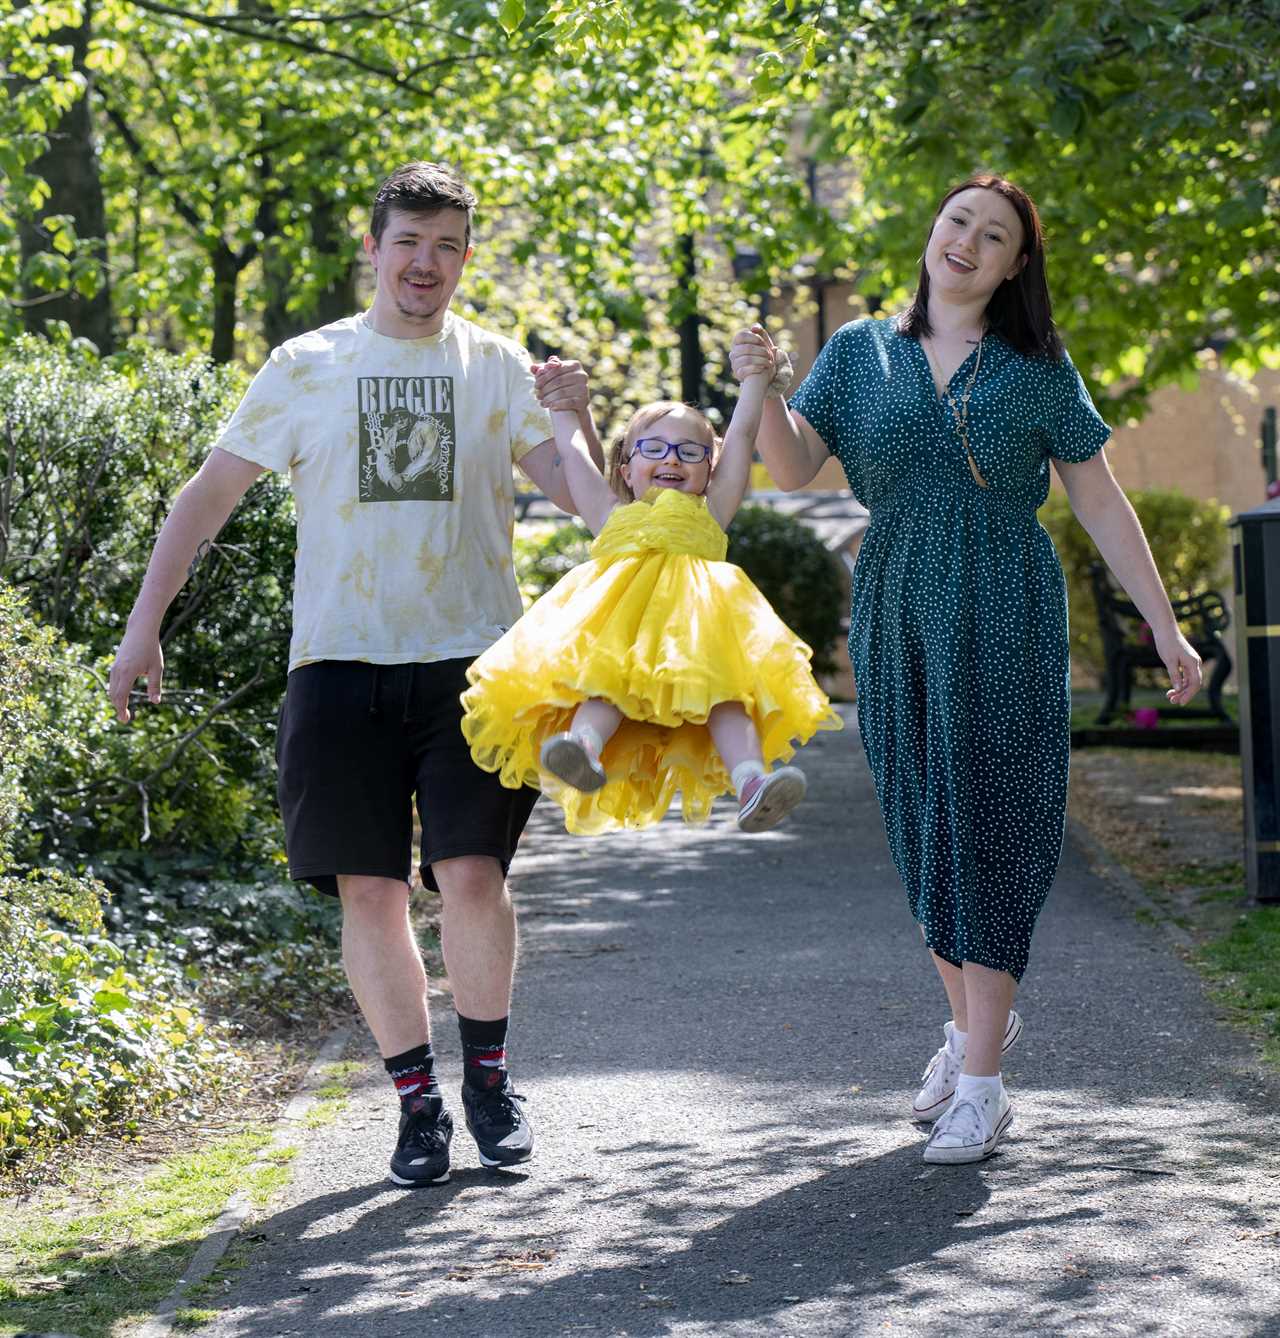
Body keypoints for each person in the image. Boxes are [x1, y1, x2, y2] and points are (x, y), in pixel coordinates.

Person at [107, 161, 605, 1188]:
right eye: (409, 243)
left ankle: (489, 1083)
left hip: (474, 666)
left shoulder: (494, 363)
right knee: (370, 892)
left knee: (474, 875)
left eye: (448, 246)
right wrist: (141, 627)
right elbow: (208, 497)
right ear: (372, 250)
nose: (426, 263)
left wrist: (574, 417)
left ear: (466, 258)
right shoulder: (306, 364)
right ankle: (417, 1103)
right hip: (336, 668)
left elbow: (587, 503)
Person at [730, 173, 1203, 1165]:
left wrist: (1162, 627)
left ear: (1013, 264)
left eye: (992, 236)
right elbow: (789, 464)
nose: (966, 243)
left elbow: (1100, 502)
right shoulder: (859, 351)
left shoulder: (1035, 364)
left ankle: (981, 1085)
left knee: (988, 816)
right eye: (956, 222)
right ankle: (968, 1035)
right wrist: (760, 384)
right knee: (922, 824)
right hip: (896, 597)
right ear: (931, 231)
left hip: (1002, 597)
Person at [459, 359, 842, 837]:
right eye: (654, 448)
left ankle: (752, 784)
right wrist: (559, 404)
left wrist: (755, 381)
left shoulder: (713, 509)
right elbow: (575, 454)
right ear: (627, 467)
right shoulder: (608, 512)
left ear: (712, 467)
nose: (672, 459)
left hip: (700, 629)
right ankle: (580, 747)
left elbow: (742, 435)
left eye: (690, 451)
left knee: (728, 698)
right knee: (607, 684)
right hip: (621, 632)